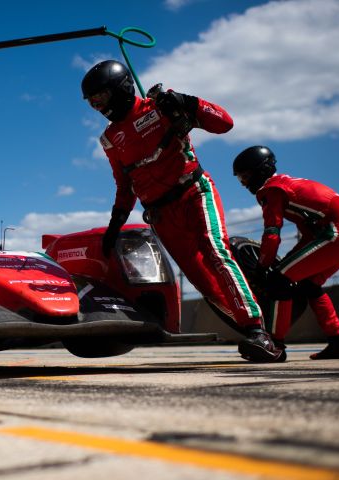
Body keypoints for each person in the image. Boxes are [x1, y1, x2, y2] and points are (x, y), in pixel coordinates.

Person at [82, 60, 282, 362]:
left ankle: (258, 333)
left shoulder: (159, 107)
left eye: (101, 98)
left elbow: (224, 123)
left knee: (216, 252)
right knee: (203, 281)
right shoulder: (109, 139)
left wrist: (188, 102)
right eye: (92, 102)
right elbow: (125, 186)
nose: (98, 106)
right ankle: (258, 332)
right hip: (162, 215)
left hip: (194, 193)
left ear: (121, 89)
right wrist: (115, 224)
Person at [232, 146, 339, 360]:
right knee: (309, 285)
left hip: (338, 232)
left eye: (246, 176)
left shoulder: (272, 190)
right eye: (241, 179)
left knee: (278, 280)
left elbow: (272, 233)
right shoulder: (288, 184)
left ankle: (275, 346)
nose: (244, 183)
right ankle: (337, 344)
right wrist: (283, 263)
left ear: (261, 171)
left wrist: (263, 267)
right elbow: (308, 236)